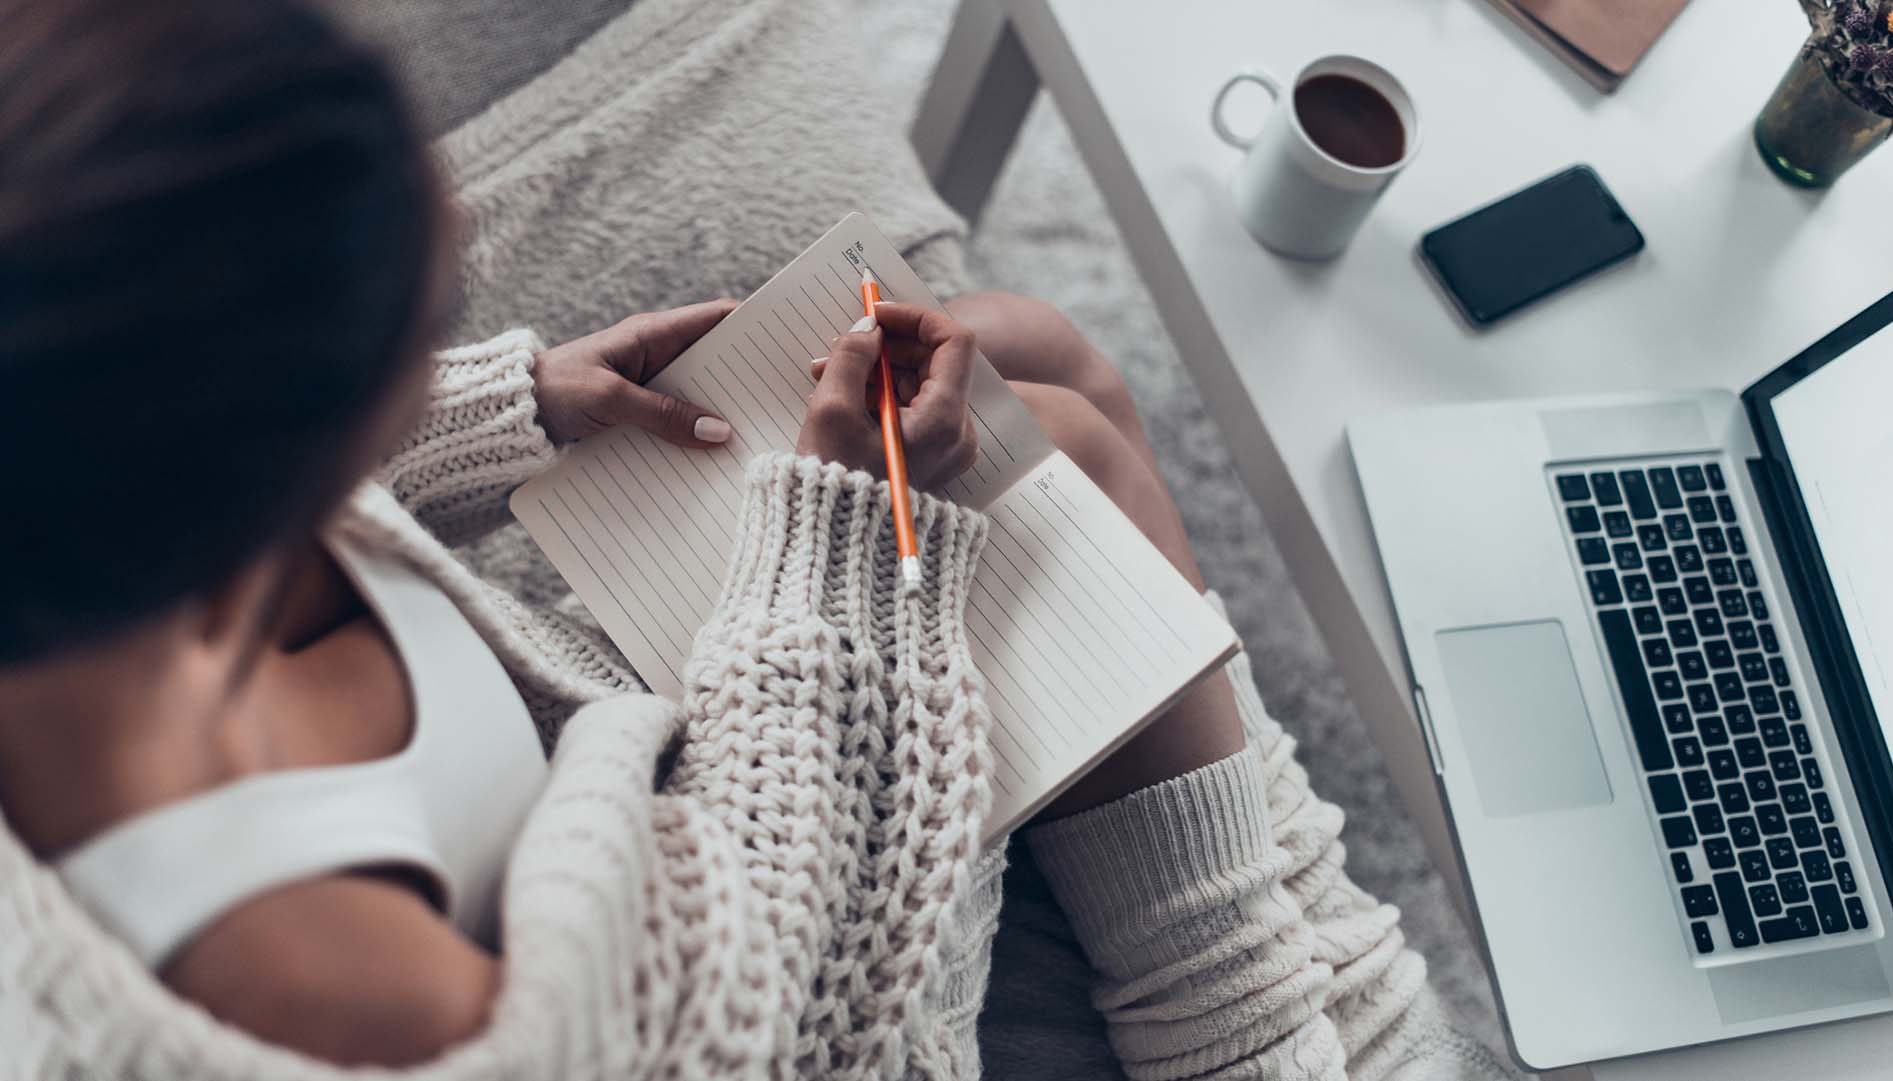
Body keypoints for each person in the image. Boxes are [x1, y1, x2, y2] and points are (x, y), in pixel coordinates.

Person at [0, 0, 1508, 1078]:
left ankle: (1292, 1004)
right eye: (416, 341)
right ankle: (1263, 1021)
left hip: (603, 756)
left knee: (1030, 353)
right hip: (799, 938)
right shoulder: (359, 995)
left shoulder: (70, 525)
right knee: (1065, 449)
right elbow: (776, 979)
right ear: (250, 490)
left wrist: (512, 397)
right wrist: (840, 531)